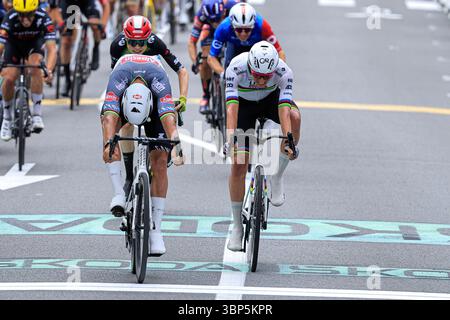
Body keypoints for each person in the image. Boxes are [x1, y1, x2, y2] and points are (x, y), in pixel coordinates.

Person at [101, 53, 184, 255]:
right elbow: (110, 118)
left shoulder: (159, 82)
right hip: (124, 96)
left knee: (160, 161)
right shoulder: (118, 78)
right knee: (108, 134)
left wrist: (176, 144)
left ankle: (156, 229)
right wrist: (109, 144)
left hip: (156, 106)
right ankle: (119, 193)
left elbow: (168, 118)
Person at [224, 41, 301, 251]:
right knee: (239, 164)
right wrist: (230, 138)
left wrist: (289, 139)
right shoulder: (235, 68)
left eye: (266, 77)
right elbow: (231, 109)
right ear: (250, 66)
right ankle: (237, 227)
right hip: (243, 105)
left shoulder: (284, 72)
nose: (259, 80)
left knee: (294, 116)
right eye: (256, 75)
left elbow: (284, 109)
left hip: (270, 101)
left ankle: (277, 175)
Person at [110, 15, 188, 197]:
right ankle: (129, 177)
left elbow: (181, 70)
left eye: (141, 43)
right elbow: (115, 76)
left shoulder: (156, 44)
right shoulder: (117, 46)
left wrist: (182, 98)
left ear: (149, 38)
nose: (137, 48)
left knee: (167, 113)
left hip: (155, 86)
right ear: (125, 38)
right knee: (127, 124)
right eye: (132, 43)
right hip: (130, 86)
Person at [0, 0, 57, 141]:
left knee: (35, 67)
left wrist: (49, 70)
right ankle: (7, 118)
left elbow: (52, 49)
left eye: (29, 15)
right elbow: (0, 46)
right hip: (14, 47)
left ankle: (37, 114)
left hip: (34, 46)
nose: (25, 19)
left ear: (35, 11)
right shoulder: (10, 17)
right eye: (22, 15)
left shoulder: (44, 17)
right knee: (8, 77)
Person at [187, 0, 239, 114]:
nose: (216, 23)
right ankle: (206, 95)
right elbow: (192, 42)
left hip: (228, 28)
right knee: (205, 60)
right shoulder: (201, 15)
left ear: (224, 11)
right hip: (209, 32)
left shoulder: (232, 6)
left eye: (218, 18)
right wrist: (196, 61)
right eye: (212, 20)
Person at [208, 2, 285, 78]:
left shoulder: (262, 26)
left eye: (248, 29)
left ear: (253, 26)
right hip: (234, 46)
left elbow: (280, 52)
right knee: (229, 70)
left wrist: (276, 73)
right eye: (238, 30)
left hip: (256, 47)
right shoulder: (223, 28)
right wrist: (223, 74)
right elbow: (211, 58)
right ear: (232, 26)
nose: (243, 34)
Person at [59, 0, 110, 97]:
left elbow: (106, 5)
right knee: (66, 41)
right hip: (70, 6)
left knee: (95, 26)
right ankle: (67, 79)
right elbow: (55, 9)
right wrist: (62, 25)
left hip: (88, 3)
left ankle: (96, 47)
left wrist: (103, 25)